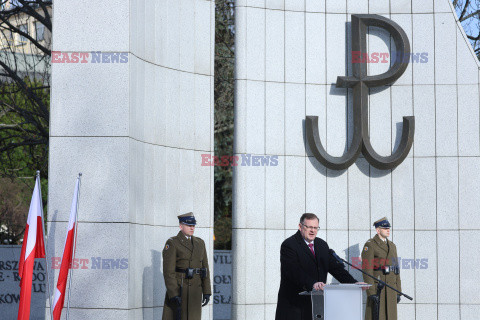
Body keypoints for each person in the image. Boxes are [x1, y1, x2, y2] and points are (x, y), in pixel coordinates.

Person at [275, 213, 365, 320]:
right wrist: (312, 283)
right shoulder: (289, 245)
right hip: (294, 306)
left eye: (315, 227)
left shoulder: (322, 245)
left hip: (316, 304)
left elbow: (336, 269)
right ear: (300, 227)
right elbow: (293, 271)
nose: (313, 231)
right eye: (309, 227)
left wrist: (353, 283)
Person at [162, 213, 211, 320]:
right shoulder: (173, 243)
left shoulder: (200, 243)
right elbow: (168, 271)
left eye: (193, 225)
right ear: (181, 226)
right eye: (189, 225)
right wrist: (174, 293)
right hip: (180, 289)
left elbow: (205, 269)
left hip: (195, 291)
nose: (192, 228)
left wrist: (207, 291)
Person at [361, 217, 401, 320]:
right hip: (378, 288)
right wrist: (371, 292)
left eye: (389, 228)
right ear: (378, 230)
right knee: (377, 316)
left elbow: (396, 270)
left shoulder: (392, 246)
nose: (388, 230)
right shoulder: (370, 245)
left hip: (391, 287)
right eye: (385, 228)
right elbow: (367, 270)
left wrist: (398, 291)